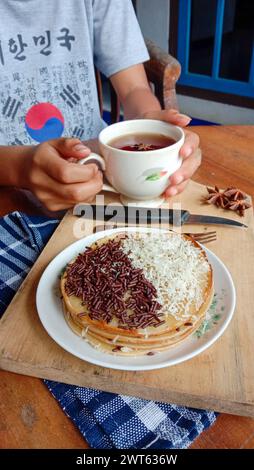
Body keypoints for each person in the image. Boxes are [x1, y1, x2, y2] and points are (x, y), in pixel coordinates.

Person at [0, 0, 200, 211]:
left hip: (100, 172)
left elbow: (134, 89)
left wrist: (148, 121)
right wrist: (19, 168)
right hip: (8, 194)